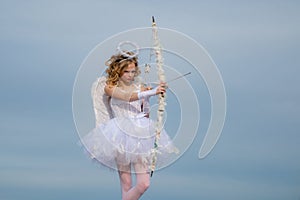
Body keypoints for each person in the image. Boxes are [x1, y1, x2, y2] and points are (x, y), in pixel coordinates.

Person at [81, 51, 178, 200]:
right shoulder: (109, 87)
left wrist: (152, 96)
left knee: (144, 184)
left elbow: (145, 110)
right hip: (119, 135)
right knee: (126, 184)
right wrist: (151, 91)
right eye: (126, 71)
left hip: (140, 135)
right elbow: (126, 97)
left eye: (133, 71)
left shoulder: (140, 87)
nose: (130, 75)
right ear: (118, 71)